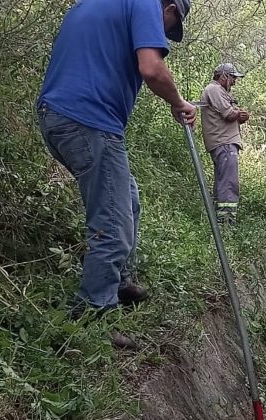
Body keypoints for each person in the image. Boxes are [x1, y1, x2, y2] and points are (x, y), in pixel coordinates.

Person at [36, 0, 197, 317]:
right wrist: (178, 103)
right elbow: (152, 68)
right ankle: (95, 309)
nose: (163, 32)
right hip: (89, 121)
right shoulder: (147, 3)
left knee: (128, 197)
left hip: (55, 115)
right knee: (113, 223)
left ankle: (119, 282)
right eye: (168, 26)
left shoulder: (95, 5)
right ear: (170, 10)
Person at [200, 63, 249, 225]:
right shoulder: (214, 89)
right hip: (224, 143)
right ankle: (226, 222)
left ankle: (220, 221)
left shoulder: (219, 91)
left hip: (224, 143)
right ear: (223, 76)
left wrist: (239, 116)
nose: (234, 81)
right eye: (232, 77)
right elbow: (228, 114)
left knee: (223, 181)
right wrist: (238, 114)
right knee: (229, 183)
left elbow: (229, 116)